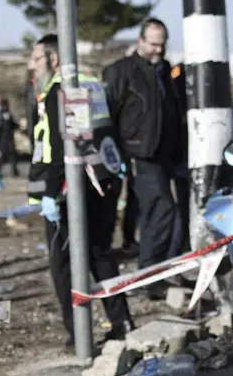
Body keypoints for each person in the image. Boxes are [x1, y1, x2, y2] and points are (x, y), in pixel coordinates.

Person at [28, 33, 133, 346]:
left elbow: (62, 145)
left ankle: (78, 334)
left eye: (35, 59)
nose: (31, 66)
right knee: (101, 255)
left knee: (63, 266)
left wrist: (49, 191)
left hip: (68, 188)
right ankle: (121, 321)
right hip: (102, 180)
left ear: (54, 59)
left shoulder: (60, 90)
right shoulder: (93, 83)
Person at [102, 18, 187, 271]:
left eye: (162, 45)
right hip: (138, 154)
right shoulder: (122, 71)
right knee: (162, 210)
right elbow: (109, 115)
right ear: (140, 41)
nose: (158, 50)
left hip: (165, 155)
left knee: (158, 212)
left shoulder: (164, 72)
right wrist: (114, 155)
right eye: (153, 45)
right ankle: (149, 271)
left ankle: (157, 269)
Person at [0, 93, 19, 177]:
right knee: (1, 156)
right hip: (2, 137)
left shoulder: (8, 113)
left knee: (12, 155)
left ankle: (14, 171)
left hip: (9, 137)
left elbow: (12, 124)